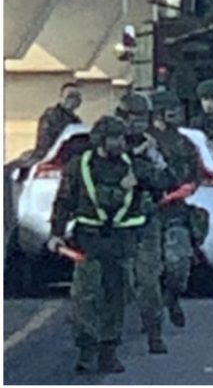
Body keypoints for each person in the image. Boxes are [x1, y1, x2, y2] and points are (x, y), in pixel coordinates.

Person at [48, 117, 147, 374]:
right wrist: (56, 232)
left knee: (116, 297)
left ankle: (108, 351)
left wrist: (154, 157)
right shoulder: (79, 167)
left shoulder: (133, 165)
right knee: (86, 296)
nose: (121, 143)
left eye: (123, 138)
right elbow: (64, 200)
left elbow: (161, 185)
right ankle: (86, 349)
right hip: (88, 242)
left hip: (120, 242)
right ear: (102, 140)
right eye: (115, 138)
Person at [116, 93, 175, 355]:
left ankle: (154, 332)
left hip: (145, 221)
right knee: (121, 282)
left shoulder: (152, 146)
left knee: (149, 280)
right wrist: (137, 155)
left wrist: (154, 160)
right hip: (115, 224)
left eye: (142, 118)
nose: (137, 124)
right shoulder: (109, 143)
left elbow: (167, 181)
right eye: (132, 117)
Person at [148, 90, 208, 333]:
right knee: (146, 273)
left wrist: (186, 189)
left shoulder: (185, 142)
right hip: (146, 214)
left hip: (175, 212)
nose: (174, 113)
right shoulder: (143, 140)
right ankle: (151, 318)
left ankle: (171, 297)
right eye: (168, 109)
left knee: (179, 266)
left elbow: (196, 173)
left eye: (176, 109)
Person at [31, 82, 83, 161]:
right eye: (70, 96)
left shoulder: (77, 121)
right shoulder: (51, 115)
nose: (73, 100)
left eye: (77, 97)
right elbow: (45, 141)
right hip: (49, 157)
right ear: (61, 97)